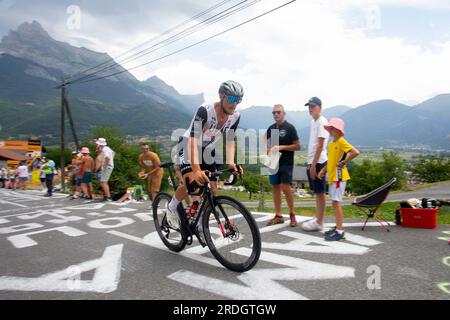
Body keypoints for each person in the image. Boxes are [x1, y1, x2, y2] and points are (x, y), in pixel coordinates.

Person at [167, 80, 244, 229]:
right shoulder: (205, 110)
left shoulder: (235, 116)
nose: (235, 104)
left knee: (212, 188)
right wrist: (196, 170)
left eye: (238, 100)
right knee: (191, 183)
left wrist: (231, 163)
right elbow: (192, 140)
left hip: (207, 149)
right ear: (221, 96)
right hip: (188, 144)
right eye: (232, 99)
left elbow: (229, 140)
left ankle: (200, 221)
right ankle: (172, 206)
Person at [317, 118, 360, 241]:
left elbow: (355, 152)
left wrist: (344, 162)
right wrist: (323, 170)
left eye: (332, 128)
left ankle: (340, 231)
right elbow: (331, 161)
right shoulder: (331, 144)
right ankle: (338, 227)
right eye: (329, 128)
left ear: (338, 130)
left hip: (339, 177)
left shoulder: (341, 141)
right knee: (335, 202)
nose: (330, 130)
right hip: (332, 177)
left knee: (336, 202)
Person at [265, 104, 301, 227]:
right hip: (273, 162)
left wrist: (282, 147)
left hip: (286, 163)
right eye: (274, 113)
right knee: (275, 187)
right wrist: (267, 151)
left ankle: (292, 214)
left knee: (285, 188)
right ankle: (278, 215)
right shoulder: (270, 128)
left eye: (278, 112)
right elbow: (265, 142)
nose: (276, 114)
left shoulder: (290, 128)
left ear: (284, 113)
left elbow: (298, 146)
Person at [301, 97, 330, 232]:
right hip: (312, 161)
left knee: (320, 193)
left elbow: (320, 145)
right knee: (317, 192)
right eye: (309, 106)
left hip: (318, 162)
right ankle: (318, 218)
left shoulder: (322, 122)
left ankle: (319, 221)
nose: (310, 109)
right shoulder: (313, 121)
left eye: (313, 106)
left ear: (320, 107)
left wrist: (313, 165)